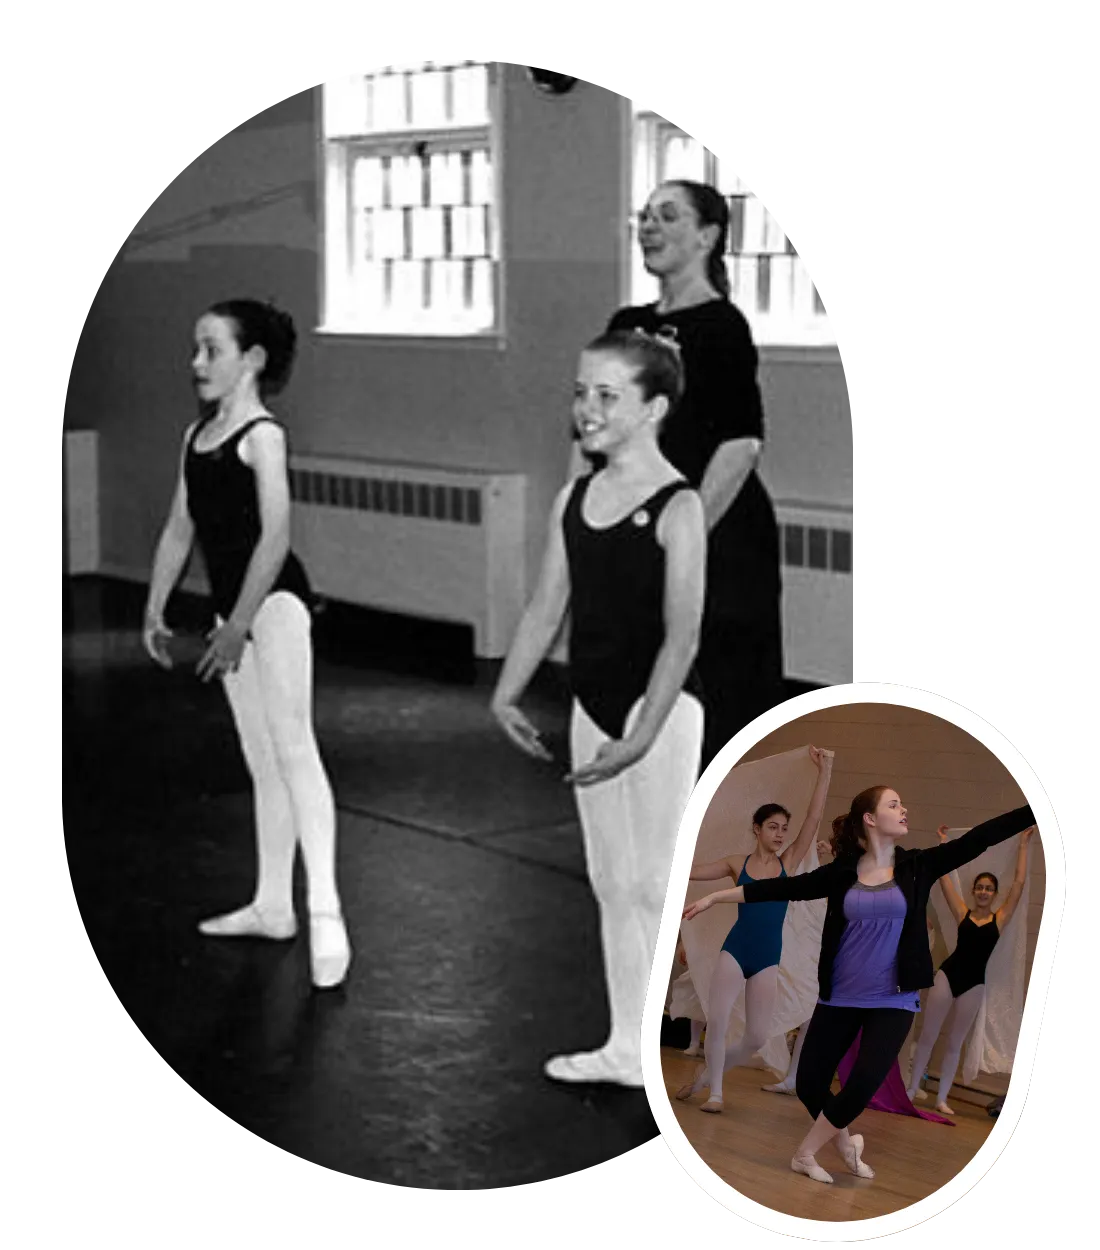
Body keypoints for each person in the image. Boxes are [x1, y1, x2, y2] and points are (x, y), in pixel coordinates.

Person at [492, 329, 705, 1086]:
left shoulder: (680, 507)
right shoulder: (574, 498)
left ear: (653, 407)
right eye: (581, 392)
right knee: (612, 880)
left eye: (607, 395)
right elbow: (547, 606)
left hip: (662, 714)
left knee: (658, 881)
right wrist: (507, 689)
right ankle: (627, 1045)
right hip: (594, 708)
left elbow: (682, 638)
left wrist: (643, 736)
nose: (587, 408)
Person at [142, 299, 351, 990]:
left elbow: (275, 537)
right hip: (233, 612)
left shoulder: (264, 436)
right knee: (261, 761)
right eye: (196, 349)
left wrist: (240, 624)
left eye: (211, 349)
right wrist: (155, 603)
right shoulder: (195, 435)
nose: (197, 363)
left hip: (278, 606)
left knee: (294, 749)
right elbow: (180, 526)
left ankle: (325, 908)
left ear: (252, 359)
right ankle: (271, 904)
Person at [684, 787, 1035, 1183]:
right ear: (870, 819)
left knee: (863, 1081)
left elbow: (980, 837)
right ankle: (848, 1145)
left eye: (902, 803)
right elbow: (781, 888)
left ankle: (805, 1153)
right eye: (894, 805)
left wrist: (1035, 806)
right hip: (840, 998)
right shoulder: (842, 873)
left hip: (893, 999)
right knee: (809, 1083)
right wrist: (717, 897)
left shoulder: (918, 866)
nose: (904, 809)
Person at [579, 180, 782, 769]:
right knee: (641, 677)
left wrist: (685, 534)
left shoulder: (723, 327)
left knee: (725, 689)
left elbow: (740, 445)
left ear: (706, 237)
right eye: (644, 215)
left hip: (721, 534)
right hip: (641, 529)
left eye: (668, 216)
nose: (649, 226)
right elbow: (596, 431)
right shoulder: (628, 323)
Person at [677, 746, 834, 1111]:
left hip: (766, 958)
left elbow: (813, 819)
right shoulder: (738, 862)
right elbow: (692, 870)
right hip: (736, 950)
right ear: (757, 829)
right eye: (773, 827)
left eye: (784, 829)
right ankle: (716, 1092)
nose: (780, 834)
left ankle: (704, 1077)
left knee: (756, 1038)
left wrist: (825, 771)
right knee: (716, 1022)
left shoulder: (789, 862)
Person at [906, 825, 1034, 1113]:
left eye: (989, 888)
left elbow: (1019, 884)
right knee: (928, 1034)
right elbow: (945, 881)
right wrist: (943, 843)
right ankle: (913, 1087)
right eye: (980, 887)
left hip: (974, 984)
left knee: (955, 1041)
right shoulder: (962, 913)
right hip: (948, 976)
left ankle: (941, 1098)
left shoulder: (999, 919)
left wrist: (1023, 845)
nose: (984, 892)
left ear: (994, 893)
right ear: (974, 891)